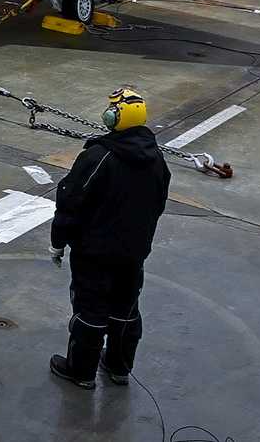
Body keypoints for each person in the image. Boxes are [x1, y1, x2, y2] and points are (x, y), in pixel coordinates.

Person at [49, 87, 172, 390]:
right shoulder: (156, 159)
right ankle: (119, 367)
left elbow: (71, 201)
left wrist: (58, 241)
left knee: (90, 310)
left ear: (116, 117)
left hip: (95, 252)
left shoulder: (99, 157)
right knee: (125, 308)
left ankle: (81, 371)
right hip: (134, 251)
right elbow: (158, 203)